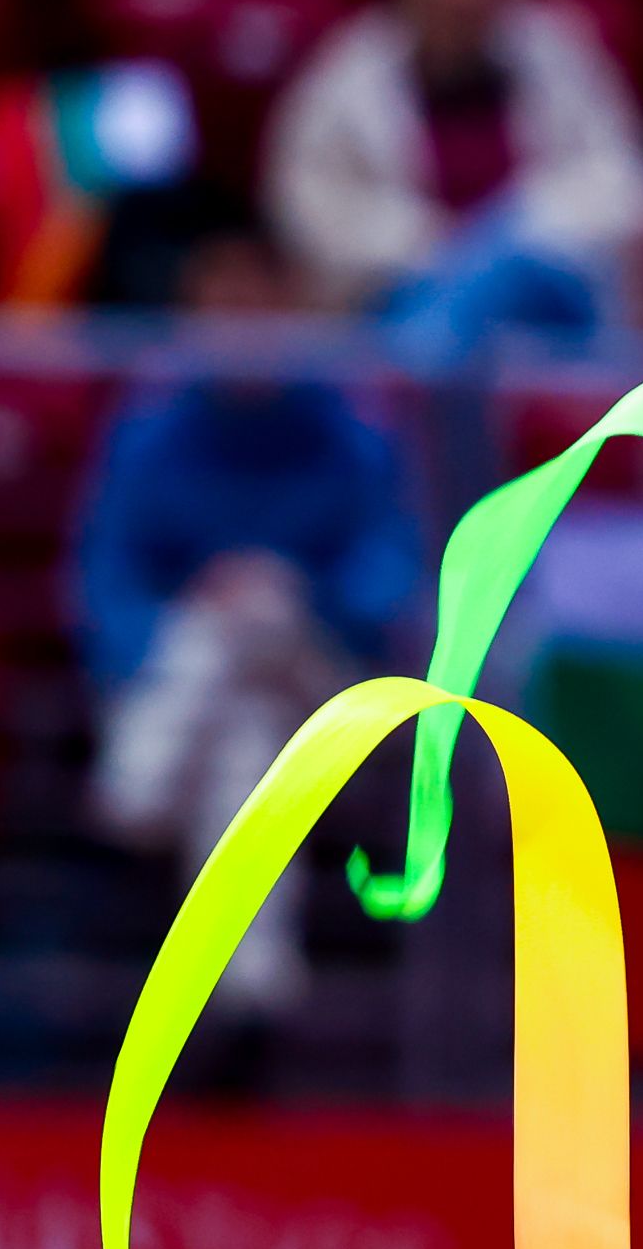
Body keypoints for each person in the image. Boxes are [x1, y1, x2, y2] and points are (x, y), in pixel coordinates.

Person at [76, 234, 421, 1049]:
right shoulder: (151, 431)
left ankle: (139, 790)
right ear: (192, 317)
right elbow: (105, 584)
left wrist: (295, 593)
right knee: (250, 730)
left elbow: (389, 575)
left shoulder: (348, 426)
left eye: (259, 309)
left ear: (292, 312)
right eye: (223, 310)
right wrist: (190, 615)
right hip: (208, 687)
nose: (242, 329)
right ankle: (252, 998)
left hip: (327, 682)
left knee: (258, 609)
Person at [263, 0, 643, 361]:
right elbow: (306, 204)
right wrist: (436, 246)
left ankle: (421, 377)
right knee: (459, 298)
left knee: (508, 272)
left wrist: (509, 232)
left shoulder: (557, 51)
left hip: (544, 300)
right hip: (394, 294)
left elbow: (622, 181)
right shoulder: (348, 71)